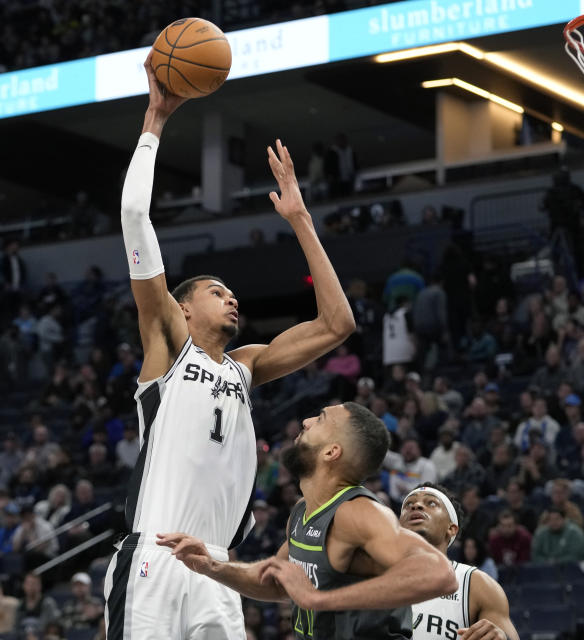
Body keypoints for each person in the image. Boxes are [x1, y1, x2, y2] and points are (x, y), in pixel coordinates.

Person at [106, 52, 357, 640]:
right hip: (155, 556)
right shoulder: (168, 345)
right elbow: (133, 212)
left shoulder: (246, 366)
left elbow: (337, 324)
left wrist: (300, 220)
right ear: (184, 306)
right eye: (218, 292)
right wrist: (155, 120)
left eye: (234, 294)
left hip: (217, 566)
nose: (232, 300)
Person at [158, 403, 457, 640]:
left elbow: (440, 575)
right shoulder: (303, 510)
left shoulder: (358, 512)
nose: (306, 421)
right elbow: (277, 584)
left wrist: (317, 600)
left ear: (331, 452)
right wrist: (211, 566)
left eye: (321, 419)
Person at [398, 483, 519, 640]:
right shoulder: (370, 577)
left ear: (451, 528)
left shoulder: (478, 585)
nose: (416, 506)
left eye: (431, 503)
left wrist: (502, 638)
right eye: (408, 504)